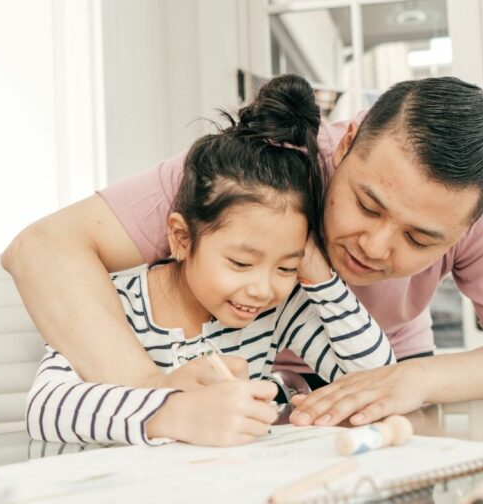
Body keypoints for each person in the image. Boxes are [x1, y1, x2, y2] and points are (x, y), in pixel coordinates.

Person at [5, 73, 483, 430]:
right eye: (368, 204)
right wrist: (154, 395)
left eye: (420, 240)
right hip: (221, 395)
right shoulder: (258, 170)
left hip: (378, 385)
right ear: (348, 139)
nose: (376, 248)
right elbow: (42, 248)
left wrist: (417, 380)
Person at [25, 76, 394, 447]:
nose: (263, 288)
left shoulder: (277, 310)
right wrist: (171, 413)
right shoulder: (117, 302)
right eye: (240, 263)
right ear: (182, 238)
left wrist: (318, 275)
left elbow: (378, 378)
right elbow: (45, 409)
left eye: (285, 267)